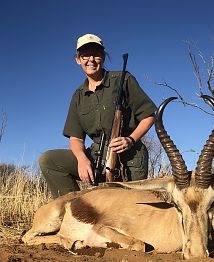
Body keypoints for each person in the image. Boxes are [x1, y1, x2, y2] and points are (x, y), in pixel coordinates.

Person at [39, 33, 157, 198]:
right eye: (85, 55)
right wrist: (81, 159)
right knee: (49, 160)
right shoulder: (78, 95)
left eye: (96, 54)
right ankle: (71, 211)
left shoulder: (123, 79)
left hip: (130, 156)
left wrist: (130, 140)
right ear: (78, 60)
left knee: (130, 209)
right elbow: (76, 138)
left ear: (103, 56)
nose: (91, 60)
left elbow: (149, 115)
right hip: (96, 157)